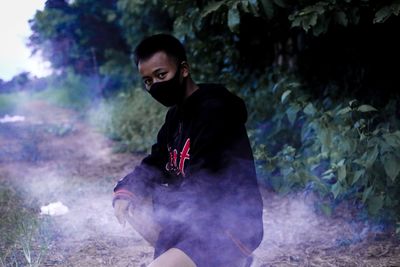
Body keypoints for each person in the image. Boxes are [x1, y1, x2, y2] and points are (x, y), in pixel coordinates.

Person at [113, 34, 264, 267]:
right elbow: (156, 162)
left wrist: (163, 201)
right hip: (195, 222)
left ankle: (230, 260)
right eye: (148, 81)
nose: (155, 85)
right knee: (133, 200)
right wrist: (126, 190)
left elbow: (206, 186)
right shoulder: (175, 116)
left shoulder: (216, 110)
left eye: (161, 75)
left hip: (229, 226)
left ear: (183, 69)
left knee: (158, 201)